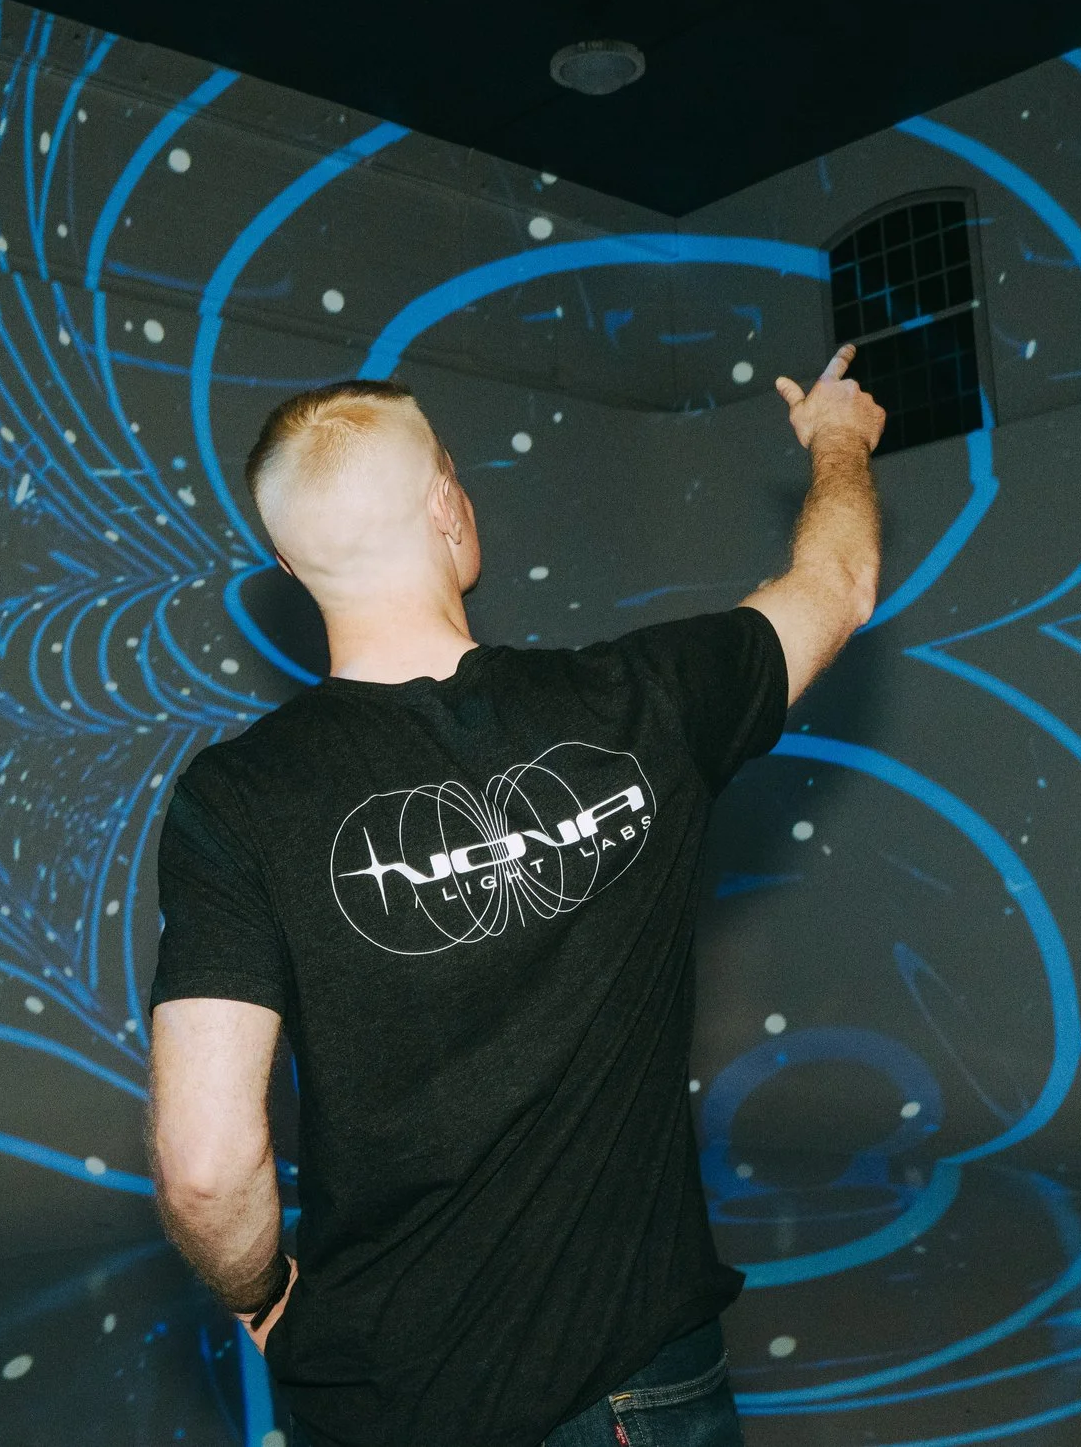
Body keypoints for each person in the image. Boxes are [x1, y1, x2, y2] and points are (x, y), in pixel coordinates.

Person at [147, 344, 886, 1447]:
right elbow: (837, 585)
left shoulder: (236, 798)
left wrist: (262, 1296)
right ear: (449, 508)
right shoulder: (646, 702)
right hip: (635, 1385)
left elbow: (206, 1169)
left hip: (384, 1402)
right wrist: (837, 438)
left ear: (293, 567)